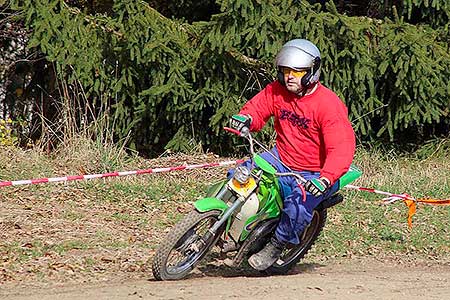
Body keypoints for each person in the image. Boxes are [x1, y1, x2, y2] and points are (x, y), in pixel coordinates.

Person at [229, 39, 356, 271]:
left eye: (297, 72)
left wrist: (325, 178)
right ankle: (226, 223)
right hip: (280, 157)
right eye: (286, 71)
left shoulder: (328, 105)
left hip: (315, 172)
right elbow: (258, 108)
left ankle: (277, 244)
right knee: (238, 173)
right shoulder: (276, 91)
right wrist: (245, 118)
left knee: (298, 206)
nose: (290, 77)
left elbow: (342, 147)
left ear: (312, 73)